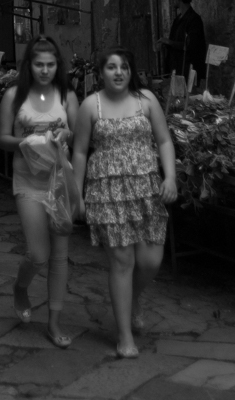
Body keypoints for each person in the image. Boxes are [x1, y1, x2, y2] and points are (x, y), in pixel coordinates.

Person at [72, 47, 177, 359]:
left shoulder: (147, 100)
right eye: (112, 67)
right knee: (122, 262)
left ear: (131, 72)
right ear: (101, 73)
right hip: (106, 192)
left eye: (124, 67)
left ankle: (131, 299)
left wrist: (170, 177)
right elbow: (79, 152)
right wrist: (77, 194)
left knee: (151, 261)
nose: (119, 73)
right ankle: (124, 336)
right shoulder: (90, 105)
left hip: (146, 190)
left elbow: (164, 140)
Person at [0, 36, 79, 348]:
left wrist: (65, 134)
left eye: (50, 64)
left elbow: (77, 134)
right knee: (38, 254)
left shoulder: (67, 95)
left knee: (60, 256)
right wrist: (26, 142)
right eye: (39, 64)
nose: (45, 70)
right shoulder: (14, 96)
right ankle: (20, 287)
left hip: (59, 183)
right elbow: (2, 138)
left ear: (58, 66)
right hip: (28, 183)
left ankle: (54, 323)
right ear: (28, 66)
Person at [158, 0, 206, 80]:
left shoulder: (194, 20)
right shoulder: (178, 20)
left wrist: (169, 42)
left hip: (188, 73)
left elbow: (191, 46)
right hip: (176, 71)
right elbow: (175, 43)